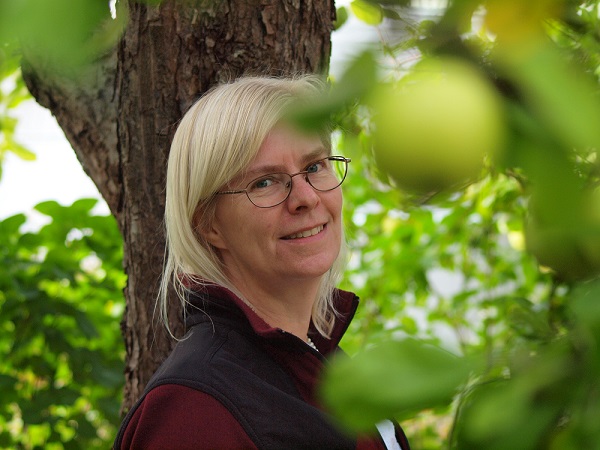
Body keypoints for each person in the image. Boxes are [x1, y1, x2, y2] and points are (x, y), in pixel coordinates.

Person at [113, 75, 410, 449]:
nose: (306, 198)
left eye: (315, 166)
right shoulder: (194, 412)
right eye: (265, 182)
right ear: (208, 225)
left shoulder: (320, 360)